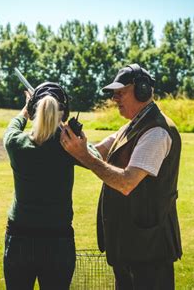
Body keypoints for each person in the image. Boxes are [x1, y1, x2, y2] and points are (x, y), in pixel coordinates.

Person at [60, 64, 182, 289]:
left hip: (149, 251)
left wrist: (84, 155)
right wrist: (70, 141)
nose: (115, 98)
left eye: (120, 92)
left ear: (142, 90)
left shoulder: (156, 132)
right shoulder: (130, 127)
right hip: (131, 246)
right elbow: (97, 151)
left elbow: (127, 182)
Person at [3, 82, 99, 290]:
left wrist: (26, 108)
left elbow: (13, 126)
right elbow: (96, 158)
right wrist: (70, 132)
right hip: (58, 240)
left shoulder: (15, 143)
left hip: (19, 237)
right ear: (64, 114)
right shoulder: (68, 147)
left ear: (32, 110)